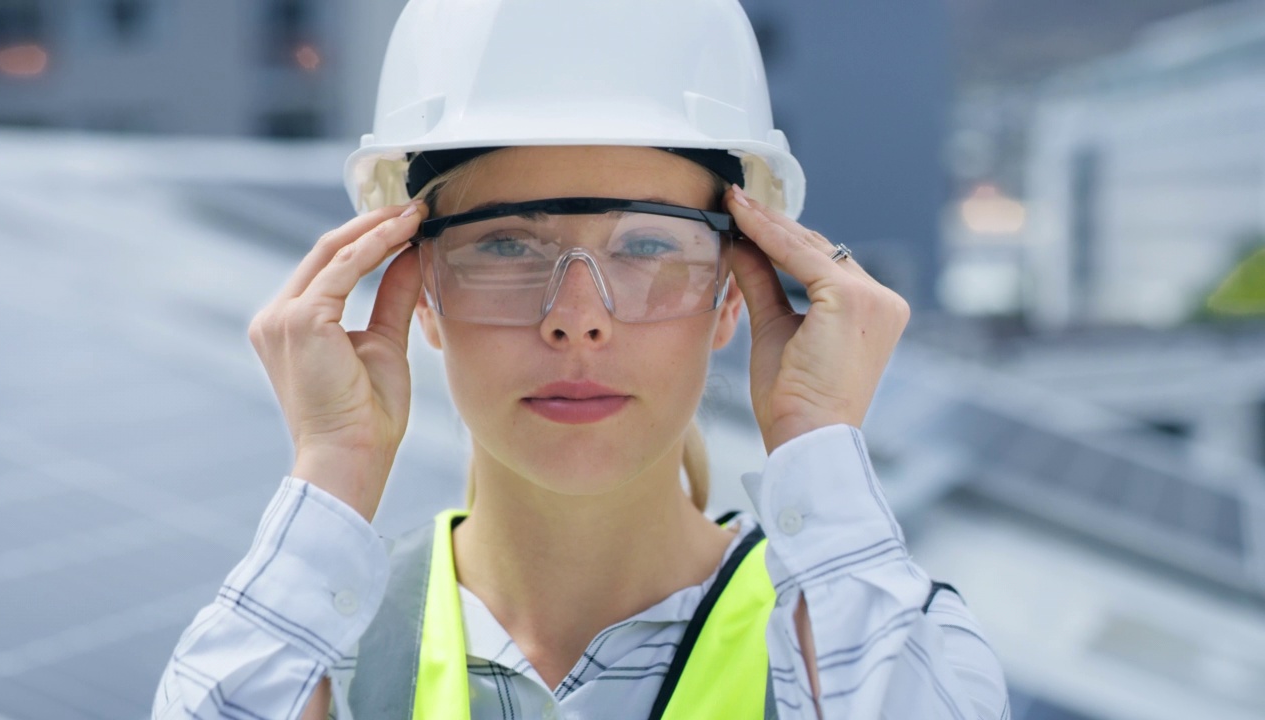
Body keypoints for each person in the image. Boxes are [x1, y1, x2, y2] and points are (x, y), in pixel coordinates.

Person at [152, 1, 1009, 718]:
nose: (576, 320)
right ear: (420, 293)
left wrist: (819, 445)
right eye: (505, 247)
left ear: (732, 293)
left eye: (645, 245)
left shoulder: (873, 635)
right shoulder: (319, 647)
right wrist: (332, 467)